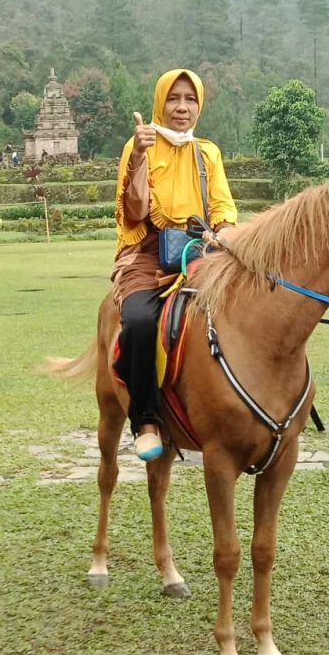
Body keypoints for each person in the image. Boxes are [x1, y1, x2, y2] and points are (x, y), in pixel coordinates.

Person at [112, 69, 238, 461]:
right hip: (147, 253)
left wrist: (225, 233)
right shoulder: (140, 145)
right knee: (139, 320)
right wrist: (136, 156)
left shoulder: (208, 152)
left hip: (202, 250)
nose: (182, 107)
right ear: (159, 102)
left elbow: (221, 206)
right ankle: (145, 419)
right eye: (173, 98)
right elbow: (133, 211)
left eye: (190, 99)